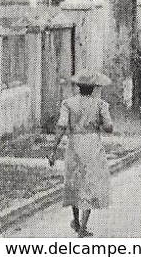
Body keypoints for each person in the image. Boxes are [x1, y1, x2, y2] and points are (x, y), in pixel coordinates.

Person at [48, 69, 113, 236]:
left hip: (74, 144)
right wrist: (98, 122)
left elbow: (62, 126)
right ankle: (83, 227)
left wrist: (53, 149)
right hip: (92, 144)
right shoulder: (101, 104)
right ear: (93, 88)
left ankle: (76, 220)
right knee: (90, 183)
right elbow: (109, 128)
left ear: (78, 87)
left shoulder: (68, 103)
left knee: (74, 182)